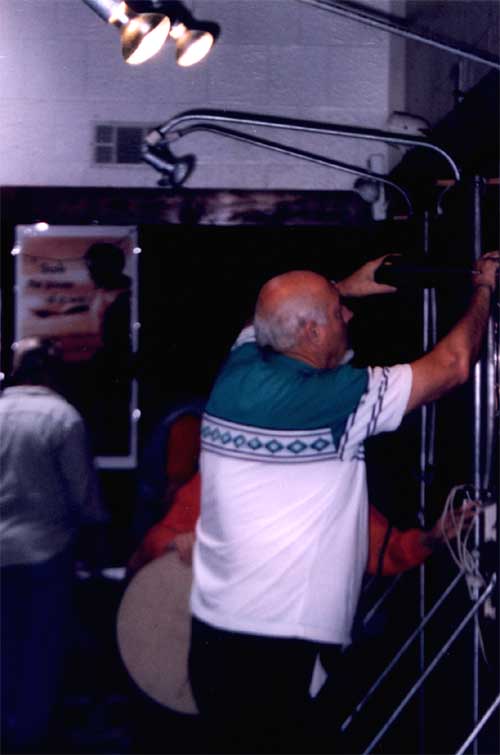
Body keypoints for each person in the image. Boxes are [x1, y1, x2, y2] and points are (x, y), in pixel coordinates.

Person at [186, 251, 499, 754]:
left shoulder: (236, 370)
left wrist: (344, 286)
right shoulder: (335, 401)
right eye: (337, 312)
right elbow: (454, 366)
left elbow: (261, 320)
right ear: (311, 333)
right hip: (279, 646)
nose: (348, 316)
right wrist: (485, 289)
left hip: (213, 634)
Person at [0, 337, 108, 753]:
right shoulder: (62, 417)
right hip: (45, 554)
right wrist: (95, 549)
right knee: (39, 655)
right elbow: (84, 497)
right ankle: (28, 742)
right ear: (50, 371)